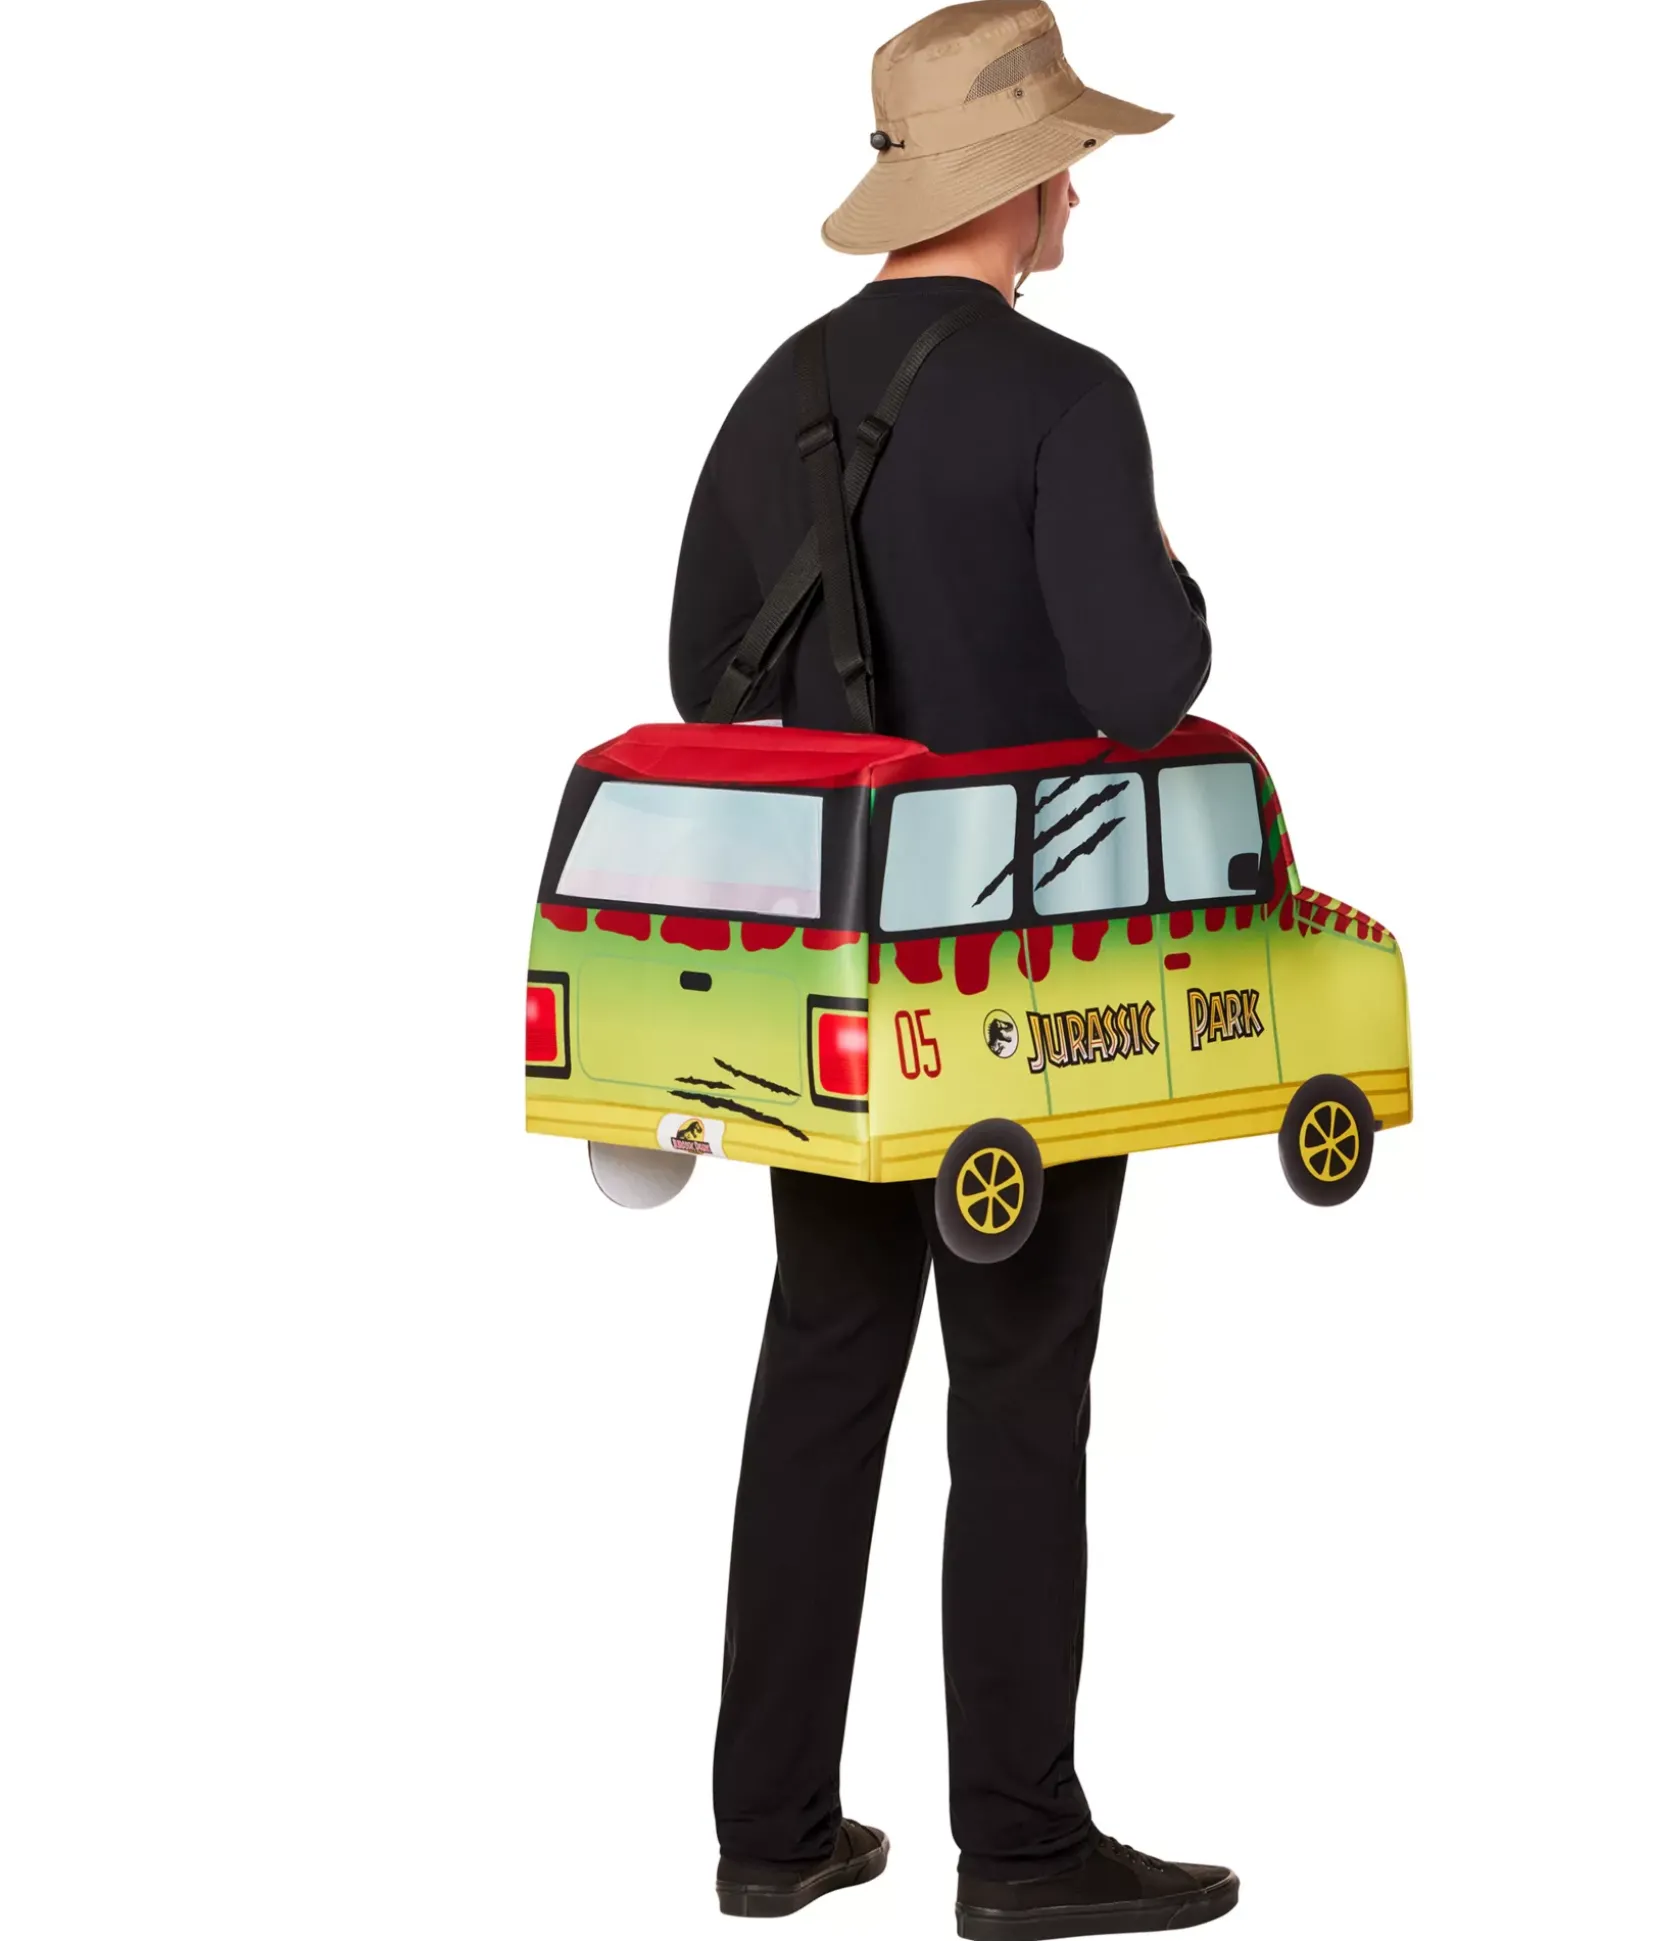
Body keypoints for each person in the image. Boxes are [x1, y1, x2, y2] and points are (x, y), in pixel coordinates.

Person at [668, 6, 1234, 1934]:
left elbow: (704, 683)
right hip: (1032, 986)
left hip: (829, 976)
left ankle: (771, 1827)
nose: (1084, 190)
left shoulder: (774, 391)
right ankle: (1024, 1845)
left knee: (824, 1364)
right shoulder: (1073, 398)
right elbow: (1147, 687)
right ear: (1025, 179)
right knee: (1017, 1382)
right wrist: (1169, 583)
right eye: (1073, 161)